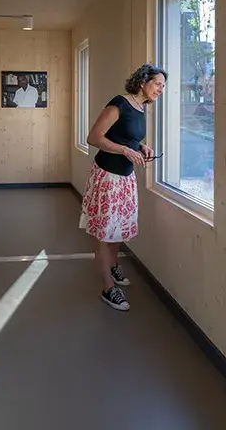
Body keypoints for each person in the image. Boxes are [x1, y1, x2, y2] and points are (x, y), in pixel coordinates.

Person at [79, 63, 166, 311]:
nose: (161, 89)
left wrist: (140, 146)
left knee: (119, 227)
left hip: (126, 178)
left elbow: (126, 137)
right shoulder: (119, 103)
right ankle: (108, 288)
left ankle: (113, 265)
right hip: (107, 176)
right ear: (143, 82)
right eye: (157, 84)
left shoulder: (141, 108)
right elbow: (94, 138)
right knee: (104, 232)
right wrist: (126, 150)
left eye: (163, 86)